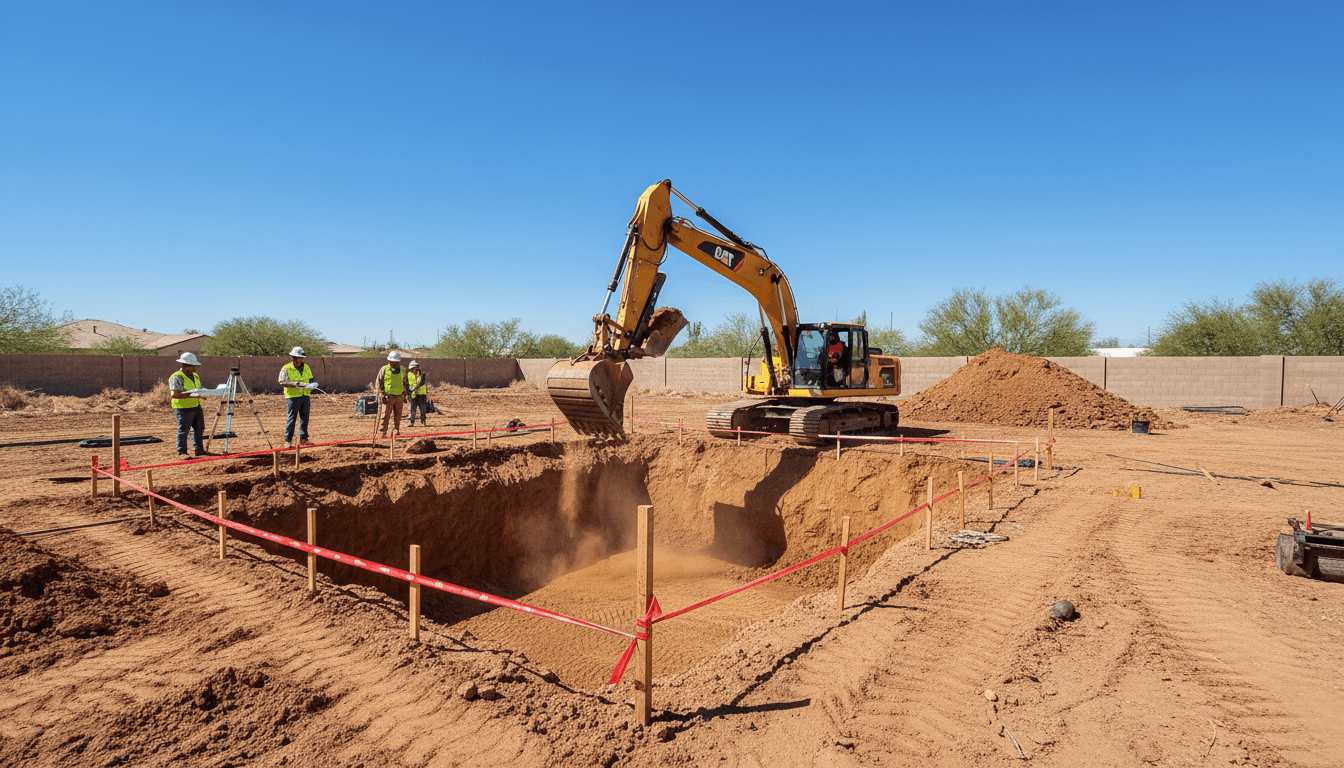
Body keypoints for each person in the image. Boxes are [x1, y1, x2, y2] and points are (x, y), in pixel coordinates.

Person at [168, 352, 207, 458]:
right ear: (186, 366)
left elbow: (199, 389)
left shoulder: (195, 376)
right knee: (184, 430)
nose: (195, 368)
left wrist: (205, 393)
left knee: (199, 428)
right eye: (193, 366)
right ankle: (182, 452)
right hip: (183, 408)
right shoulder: (177, 377)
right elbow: (175, 394)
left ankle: (199, 450)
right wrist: (194, 395)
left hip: (196, 406)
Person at [278, 346, 318, 447]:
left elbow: (311, 380)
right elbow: (282, 382)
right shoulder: (286, 368)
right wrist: (297, 384)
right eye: (295, 357)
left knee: (305, 418)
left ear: (302, 358)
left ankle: (303, 439)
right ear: (292, 357)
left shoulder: (307, 367)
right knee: (292, 418)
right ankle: (288, 440)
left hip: (305, 395)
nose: (297, 360)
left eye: (299, 357)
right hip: (292, 397)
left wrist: (312, 386)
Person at [375, 351, 408, 437]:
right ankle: (383, 432)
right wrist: (380, 393)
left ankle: (396, 430)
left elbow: (405, 382)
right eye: (393, 362)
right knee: (385, 415)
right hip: (388, 397)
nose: (395, 363)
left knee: (398, 415)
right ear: (390, 361)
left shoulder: (403, 370)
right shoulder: (384, 369)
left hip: (399, 396)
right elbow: (379, 382)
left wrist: (406, 394)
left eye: (396, 362)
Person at [406, 360, 429, 427]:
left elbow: (422, 382)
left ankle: (423, 421)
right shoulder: (409, 374)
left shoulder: (422, 374)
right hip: (413, 395)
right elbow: (407, 384)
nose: (412, 370)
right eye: (411, 369)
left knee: (423, 409)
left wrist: (416, 387)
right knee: (412, 410)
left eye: (413, 369)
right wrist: (408, 394)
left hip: (421, 394)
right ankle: (412, 422)